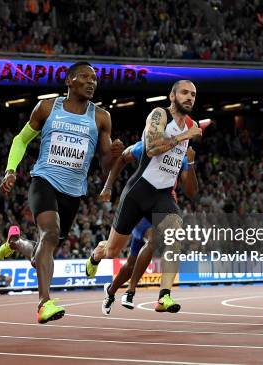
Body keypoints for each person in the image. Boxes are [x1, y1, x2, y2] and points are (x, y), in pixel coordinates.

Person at [0, 62, 124, 323]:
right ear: (69, 80)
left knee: (46, 247)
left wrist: (114, 157)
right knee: (50, 234)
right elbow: (21, 139)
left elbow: (104, 164)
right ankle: (44, 303)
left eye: (95, 79)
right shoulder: (47, 108)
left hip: (74, 192)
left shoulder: (101, 117)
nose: (92, 82)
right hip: (44, 180)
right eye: (85, 77)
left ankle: (15, 244)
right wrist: (11, 170)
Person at [86, 80, 202, 313]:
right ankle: (95, 256)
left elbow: (190, 191)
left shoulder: (191, 124)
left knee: (174, 233)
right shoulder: (159, 115)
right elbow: (151, 149)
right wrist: (184, 136)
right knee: (112, 251)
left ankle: (164, 296)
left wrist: (189, 159)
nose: (189, 97)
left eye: (193, 94)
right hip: (139, 190)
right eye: (184, 93)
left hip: (162, 195)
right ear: (172, 96)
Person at [99, 138, 198, 315]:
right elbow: (122, 157)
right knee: (135, 254)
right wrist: (108, 185)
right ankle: (120, 291)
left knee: (143, 254)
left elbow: (191, 192)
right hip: (139, 204)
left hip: (160, 207)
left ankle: (121, 292)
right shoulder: (147, 145)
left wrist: (190, 162)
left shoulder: (181, 157)